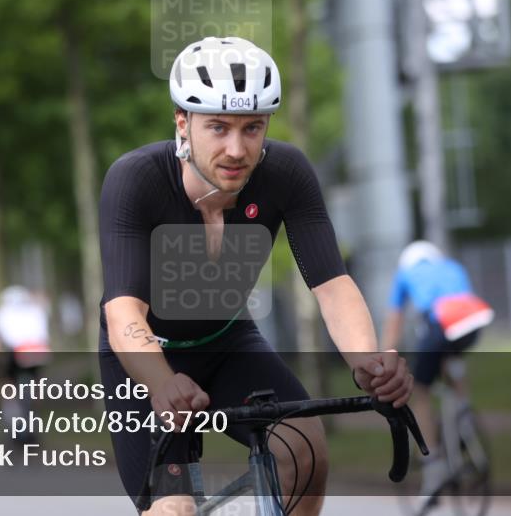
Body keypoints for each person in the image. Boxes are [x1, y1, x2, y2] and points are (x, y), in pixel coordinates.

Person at [99, 36, 414, 516]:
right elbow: (123, 309)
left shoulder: (287, 173)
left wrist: (368, 361)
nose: (236, 148)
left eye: (252, 128)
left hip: (228, 341)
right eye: (218, 127)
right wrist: (162, 382)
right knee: (175, 508)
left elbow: (332, 286)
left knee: (306, 449)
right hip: (145, 361)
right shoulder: (136, 179)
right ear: (182, 122)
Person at [380, 240, 494, 505]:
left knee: (419, 390)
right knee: (449, 358)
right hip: (473, 320)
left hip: (441, 321)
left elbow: (394, 321)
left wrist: (386, 355)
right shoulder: (451, 266)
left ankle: (433, 468)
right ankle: (464, 418)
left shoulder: (405, 273)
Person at [0, 285, 52, 443]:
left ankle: (12, 423)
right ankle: (33, 424)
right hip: (36, 352)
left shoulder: (2, 313)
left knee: (6, 386)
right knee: (35, 389)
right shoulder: (36, 311)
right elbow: (44, 336)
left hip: (15, 353)